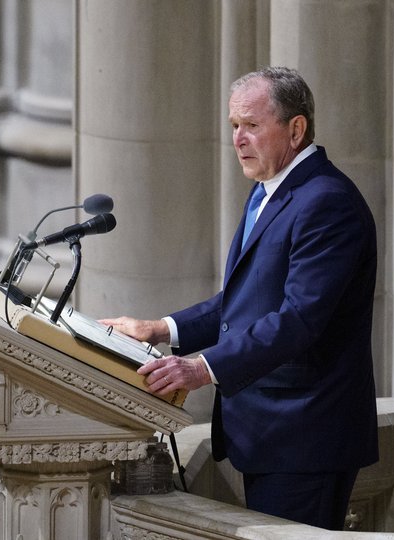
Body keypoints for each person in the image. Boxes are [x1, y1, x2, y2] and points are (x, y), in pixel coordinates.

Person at [101, 66, 378, 530]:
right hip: (270, 433)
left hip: (304, 438)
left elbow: (299, 319)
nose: (238, 139)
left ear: (296, 130)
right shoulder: (268, 191)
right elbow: (246, 300)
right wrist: (161, 329)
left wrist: (201, 368)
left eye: (251, 125)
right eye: (234, 125)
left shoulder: (328, 202)